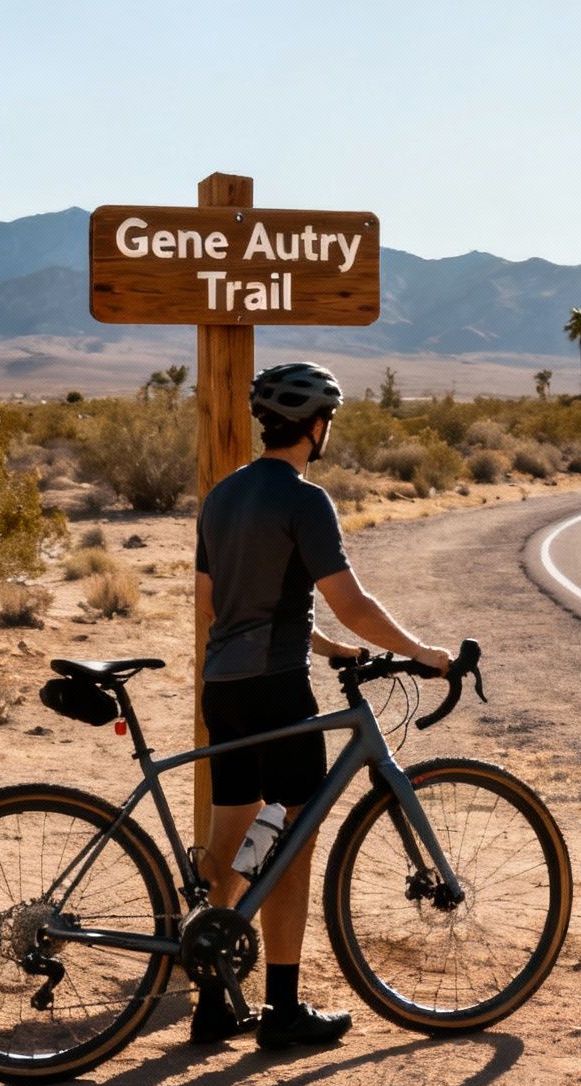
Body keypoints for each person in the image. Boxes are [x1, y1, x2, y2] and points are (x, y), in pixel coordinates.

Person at [191, 361, 452, 1048]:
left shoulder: (221, 497)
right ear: (315, 425)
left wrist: (329, 647)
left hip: (223, 689)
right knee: (292, 844)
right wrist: (423, 651)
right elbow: (354, 601)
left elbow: (220, 607)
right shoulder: (305, 500)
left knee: (229, 840)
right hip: (278, 689)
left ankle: (214, 1000)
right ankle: (282, 1011)